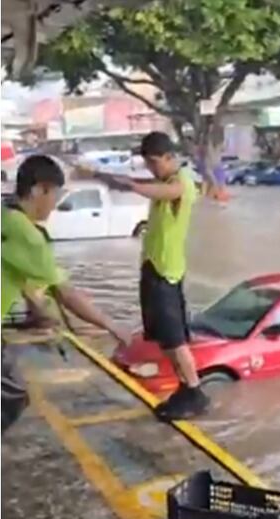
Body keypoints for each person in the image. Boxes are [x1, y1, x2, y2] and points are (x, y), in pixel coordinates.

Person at [78, 132, 207, 420]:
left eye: (154, 162)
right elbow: (140, 187)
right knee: (164, 339)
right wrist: (102, 176)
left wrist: (119, 181)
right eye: (146, 162)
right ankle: (184, 388)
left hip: (166, 273)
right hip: (153, 269)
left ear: (169, 157)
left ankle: (195, 391)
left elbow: (144, 189)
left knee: (175, 339)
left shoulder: (180, 184)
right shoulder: (163, 181)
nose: (150, 167)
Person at [2, 155, 129, 431]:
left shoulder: (5, 216)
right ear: (40, 190)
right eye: (55, 194)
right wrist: (114, 326)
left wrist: (44, 316)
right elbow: (66, 294)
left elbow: (21, 280)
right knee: (11, 398)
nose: (54, 204)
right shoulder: (29, 236)